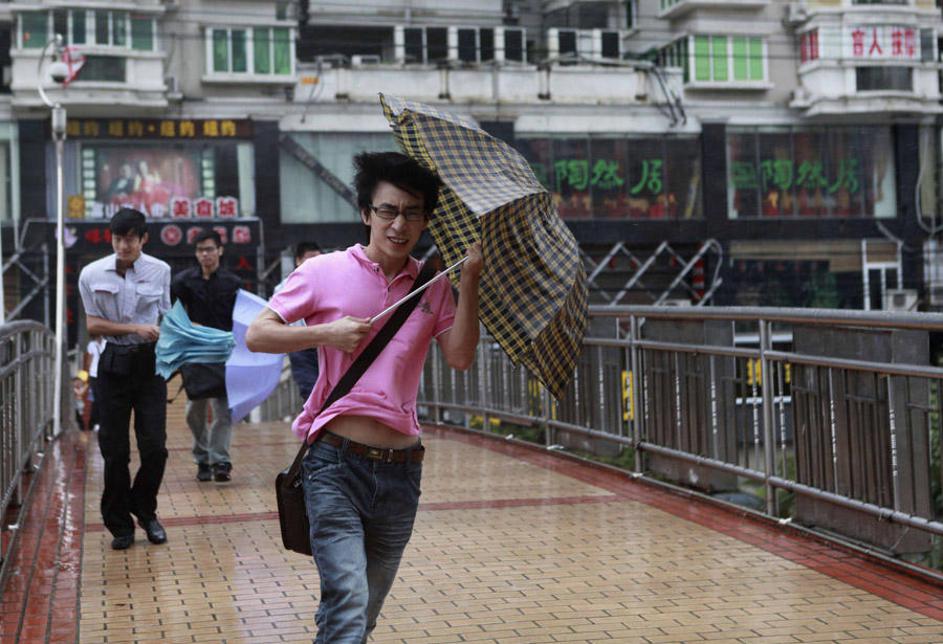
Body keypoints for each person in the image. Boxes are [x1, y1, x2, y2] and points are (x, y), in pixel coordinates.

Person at [246, 151, 482, 642]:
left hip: (402, 471)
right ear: (366, 213)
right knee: (349, 602)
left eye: (412, 213)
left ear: (426, 220)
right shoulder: (324, 271)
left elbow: (460, 357)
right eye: (388, 210)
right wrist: (326, 333)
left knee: (359, 614)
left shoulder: (433, 286)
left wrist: (470, 281)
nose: (399, 224)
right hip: (334, 464)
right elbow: (258, 334)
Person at [77, 208, 171, 550]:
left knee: (155, 447)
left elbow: (165, 314)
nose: (123, 246)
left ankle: (144, 509)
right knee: (115, 451)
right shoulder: (91, 274)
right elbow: (93, 325)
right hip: (112, 365)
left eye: (130, 239)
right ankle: (120, 525)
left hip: (150, 365)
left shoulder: (160, 270)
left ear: (143, 239)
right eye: (118, 239)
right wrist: (135, 328)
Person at [171, 229, 241, 483]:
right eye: (201, 250)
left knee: (224, 410)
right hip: (195, 352)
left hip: (226, 352)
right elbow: (171, 316)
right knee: (194, 410)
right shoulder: (182, 282)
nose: (205, 254)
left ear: (220, 250)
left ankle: (220, 460)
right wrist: (189, 326)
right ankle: (202, 456)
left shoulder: (233, 283)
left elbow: (242, 318)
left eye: (210, 249)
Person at [285, 241, 322, 400]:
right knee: (310, 390)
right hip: (300, 347)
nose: (314, 263)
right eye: (310, 258)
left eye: (318, 258)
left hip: (327, 344)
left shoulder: (331, 283)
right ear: (298, 260)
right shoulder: (285, 287)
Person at [84, 335, 106, 431]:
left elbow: (88, 362)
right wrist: (87, 375)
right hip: (95, 374)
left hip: (102, 374)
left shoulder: (105, 343)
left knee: (101, 398)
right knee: (97, 399)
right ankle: (96, 422)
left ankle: (99, 422)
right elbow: (89, 361)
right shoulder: (92, 344)